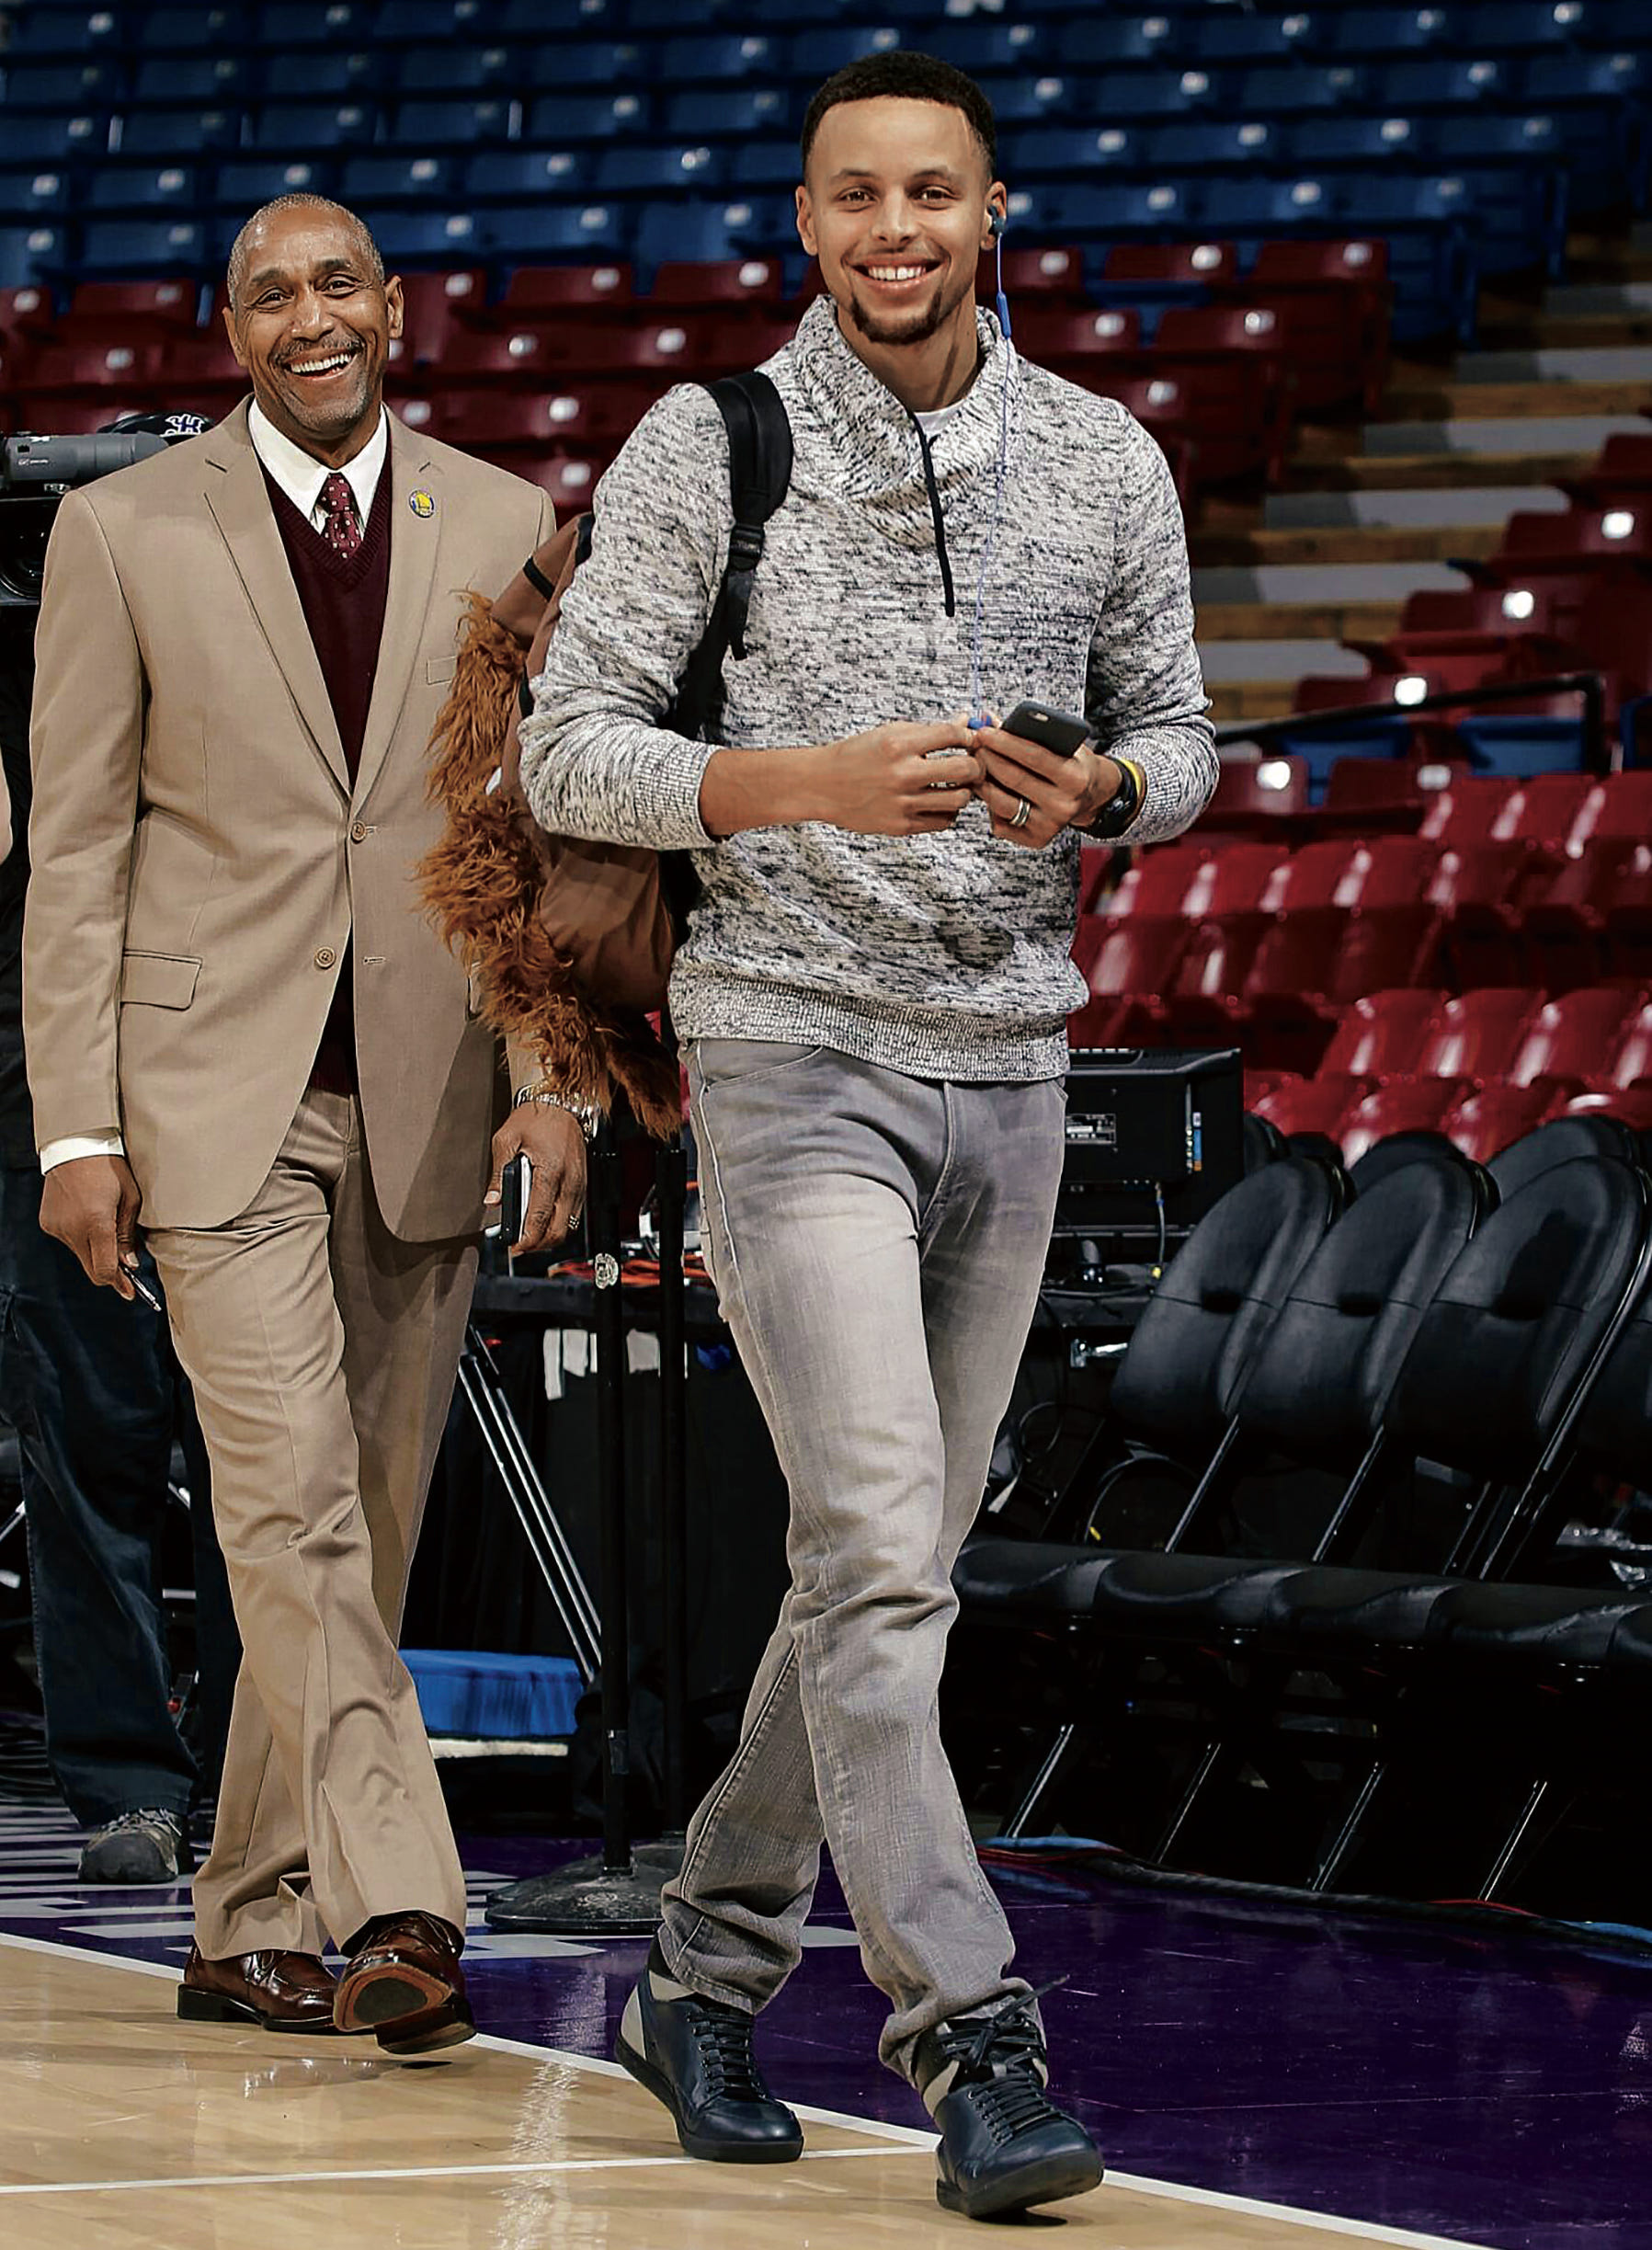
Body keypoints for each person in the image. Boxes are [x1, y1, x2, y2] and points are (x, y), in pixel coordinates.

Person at [518, 50, 1217, 2223]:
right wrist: (786, 783)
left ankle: (700, 1974)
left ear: (989, 209)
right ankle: (973, 2041)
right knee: (890, 1555)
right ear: (802, 223)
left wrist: (1103, 792)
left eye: (932, 192)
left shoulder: (1101, 457)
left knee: (863, 1577)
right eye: (854, 196)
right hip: (785, 1046)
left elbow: (1182, 731)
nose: (894, 228)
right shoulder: (703, 442)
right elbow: (568, 752)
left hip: (1012, 1059)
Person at [24, 196, 587, 2051]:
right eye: (270, 291)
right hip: (213, 1099)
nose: (309, 314)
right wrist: (74, 1131)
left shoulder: (507, 526)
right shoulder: (122, 530)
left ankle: (249, 1917)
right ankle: (401, 1893)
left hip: (429, 1094)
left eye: (337, 282)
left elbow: (524, 850)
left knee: (351, 1520)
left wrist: (543, 1080)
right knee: (285, 1506)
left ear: (397, 310)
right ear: (231, 331)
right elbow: (79, 852)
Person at [1, 488, 237, 1890]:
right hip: (43, 1087)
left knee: (256, 1455)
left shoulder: (161, 583)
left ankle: (266, 1766)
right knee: (83, 1437)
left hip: (218, 1054)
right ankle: (125, 1782)